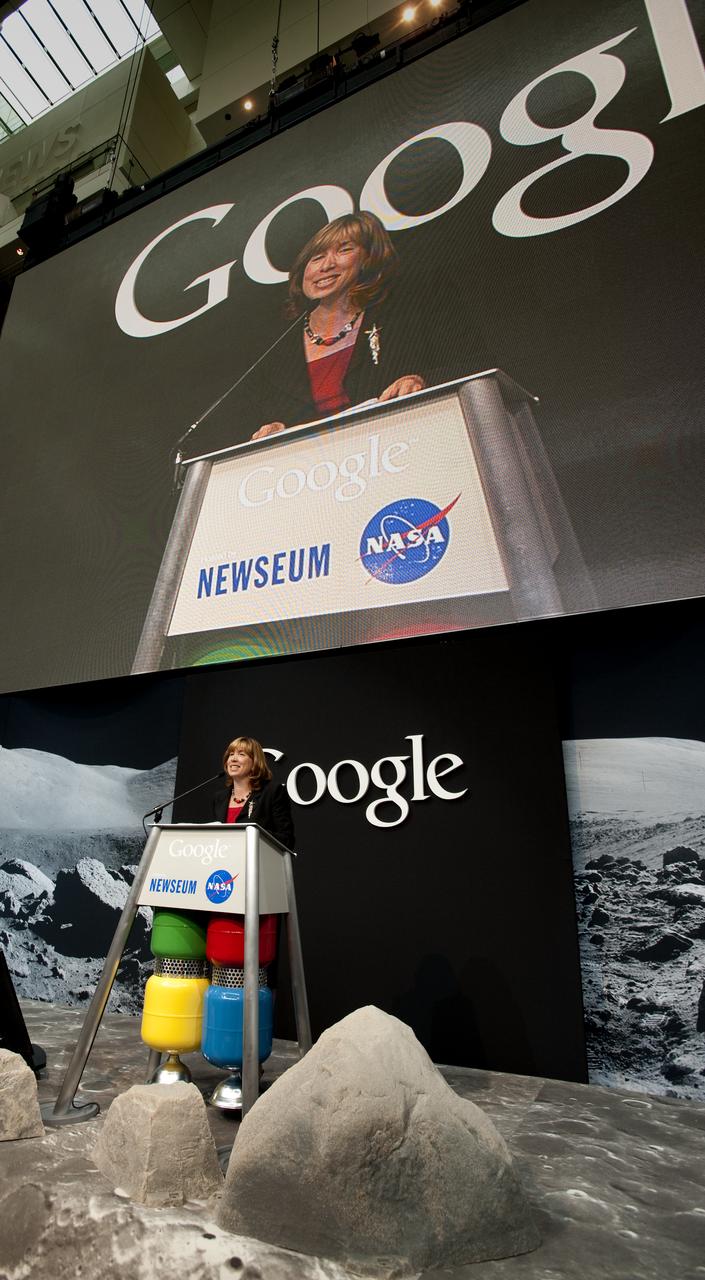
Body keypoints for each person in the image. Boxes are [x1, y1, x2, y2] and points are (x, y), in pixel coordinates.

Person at [250, 211, 427, 440]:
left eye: (344, 250)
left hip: (395, 446)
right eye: (316, 257)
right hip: (310, 469)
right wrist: (272, 427)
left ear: (368, 259)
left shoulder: (399, 314)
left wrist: (418, 380)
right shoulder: (276, 346)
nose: (326, 265)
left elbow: (466, 362)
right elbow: (255, 417)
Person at [212, 735, 295, 849]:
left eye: (241, 754)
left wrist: (253, 835)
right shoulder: (219, 798)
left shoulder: (272, 792)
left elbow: (286, 839)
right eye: (231, 754)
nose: (233, 759)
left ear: (255, 762)